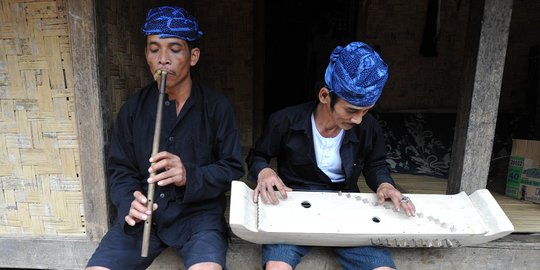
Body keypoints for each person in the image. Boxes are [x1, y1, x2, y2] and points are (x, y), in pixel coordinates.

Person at [86, 6, 244, 270]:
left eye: (174, 48)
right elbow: (120, 169)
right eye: (154, 48)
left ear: (193, 56)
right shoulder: (133, 109)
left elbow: (232, 168)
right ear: (146, 54)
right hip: (146, 216)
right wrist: (129, 201)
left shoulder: (217, 107)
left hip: (199, 217)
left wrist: (189, 175)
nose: (163, 59)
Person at [246, 41, 416, 270]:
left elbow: (376, 164)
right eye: (351, 110)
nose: (358, 119)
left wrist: (384, 183)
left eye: (366, 111)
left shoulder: (368, 127)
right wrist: (265, 171)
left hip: (345, 205)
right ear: (325, 96)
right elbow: (257, 156)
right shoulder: (285, 121)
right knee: (277, 266)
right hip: (293, 205)